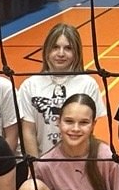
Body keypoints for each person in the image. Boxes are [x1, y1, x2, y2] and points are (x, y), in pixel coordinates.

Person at [17, 23, 107, 159]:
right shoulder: (30, 85)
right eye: (55, 47)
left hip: (79, 160)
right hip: (43, 161)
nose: (60, 53)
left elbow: (88, 128)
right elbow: (28, 131)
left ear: (76, 52)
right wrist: (35, 165)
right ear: (47, 50)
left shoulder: (87, 84)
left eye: (68, 48)